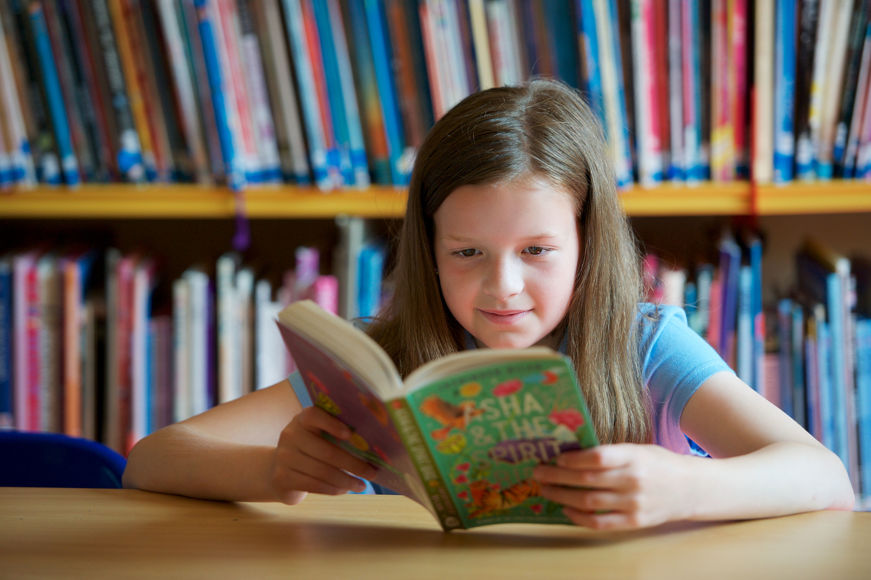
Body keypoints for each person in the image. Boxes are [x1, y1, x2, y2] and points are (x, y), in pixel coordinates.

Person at [124, 79, 854, 529]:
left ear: (586, 243)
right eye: (466, 253)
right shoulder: (380, 358)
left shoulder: (645, 344)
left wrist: (687, 486)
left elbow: (824, 478)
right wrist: (270, 474)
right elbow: (153, 459)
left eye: (536, 251)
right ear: (427, 248)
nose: (502, 287)